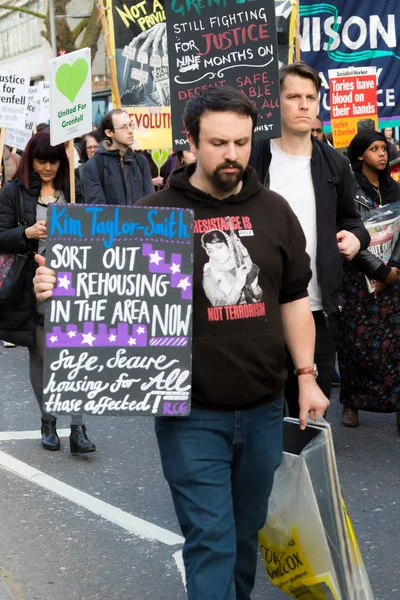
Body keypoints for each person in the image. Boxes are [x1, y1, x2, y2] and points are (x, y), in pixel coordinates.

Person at [34, 86, 330, 600]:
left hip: (263, 411)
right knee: (211, 538)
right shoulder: (154, 214)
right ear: (190, 142)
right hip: (189, 414)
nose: (232, 154)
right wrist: (59, 288)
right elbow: (103, 290)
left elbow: (292, 299)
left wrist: (306, 377)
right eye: (218, 143)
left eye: (240, 142)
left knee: (243, 534)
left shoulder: (276, 211)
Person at [250, 61, 370, 417]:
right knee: (265, 410)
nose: (303, 105)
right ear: (276, 101)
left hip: (318, 307)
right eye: (293, 96)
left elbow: (353, 220)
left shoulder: (334, 163)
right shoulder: (252, 157)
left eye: (310, 97)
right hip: (260, 305)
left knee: (310, 415)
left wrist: (356, 239)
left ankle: (303, 474)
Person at [0, 129, 95, 455]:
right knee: (41, 356)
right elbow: (0, 235)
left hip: (75, 283)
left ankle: (79, 427)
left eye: (53, 162)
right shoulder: (13, 192)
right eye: (41, 161)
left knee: (75, 356)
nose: (47, 169)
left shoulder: (73, 186)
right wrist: (27, 231)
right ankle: (48, 420)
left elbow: (96, 228)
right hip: (34, 287)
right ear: (31, 160)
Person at [338, 130, 400, 432]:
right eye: (374, 149)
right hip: (358, 276)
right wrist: (378, 271)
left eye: (384, 148)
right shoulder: (350, 190)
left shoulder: (394, 190)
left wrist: (394, 271)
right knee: (355, 343)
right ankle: (352, 401)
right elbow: (348, 233)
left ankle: (397, 402)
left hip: (393, 277)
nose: (382, 154)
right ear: (360, 155)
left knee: (395, 344)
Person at [83, 109, 154, 205]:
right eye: (123, 127)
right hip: (110, 220)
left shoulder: (140, 161)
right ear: (109, 133)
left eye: (130, 125)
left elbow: (149, 202)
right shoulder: (94, 165)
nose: (130, 130)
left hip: (139, 219)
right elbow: (97, 210)